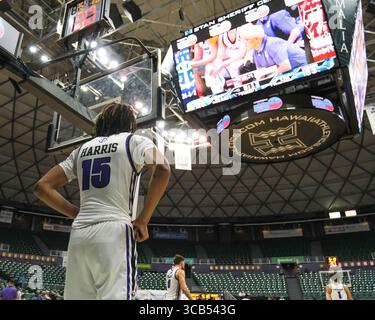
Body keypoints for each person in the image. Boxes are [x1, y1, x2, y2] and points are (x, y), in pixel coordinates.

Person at [33, 103, 171, 300]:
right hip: (114, 232)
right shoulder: (134, 141)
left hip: (79, 234)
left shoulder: (81, 150)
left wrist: (75, 213)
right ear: (130, 123)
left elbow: (42, 187)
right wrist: (143, 219)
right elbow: (163, 168)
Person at [241, 25, 307, 78]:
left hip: (302, 69)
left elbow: (286, 66)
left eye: (247, 40)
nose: (244, 43)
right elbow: (261, 72)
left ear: (256, 39)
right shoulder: (255, 51)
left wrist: (269, 78)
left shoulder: (272, 44)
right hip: (287, 73)